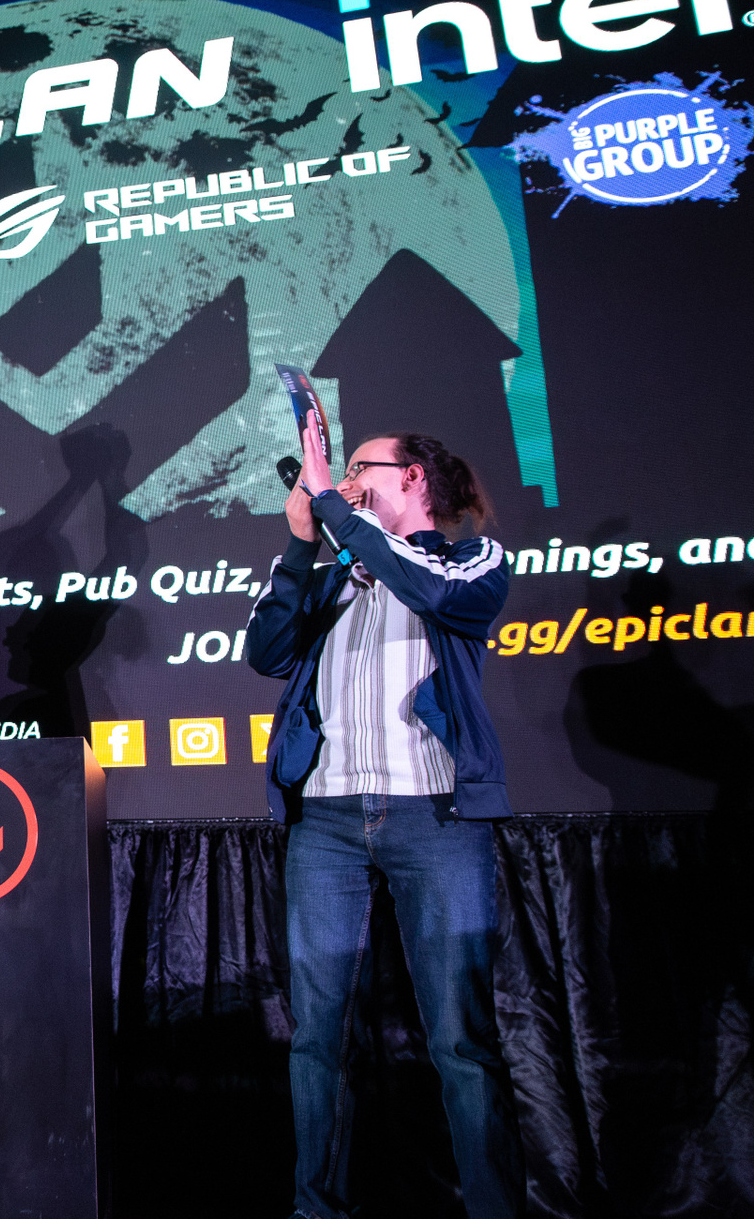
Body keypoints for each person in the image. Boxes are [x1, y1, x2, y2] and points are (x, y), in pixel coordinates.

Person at [246, 415, 524, 1219]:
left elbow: (428, 589)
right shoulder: (335, 573)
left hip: (435, 818)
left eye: (361, 467)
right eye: (342, 471)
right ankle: (318, 1209)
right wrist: (302, 544)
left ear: (413, 478)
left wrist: (336, 508)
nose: (344, 480)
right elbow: (266, 652)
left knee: (460, 1039)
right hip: (327, 821)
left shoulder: (472, 560)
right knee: (316, 1037)